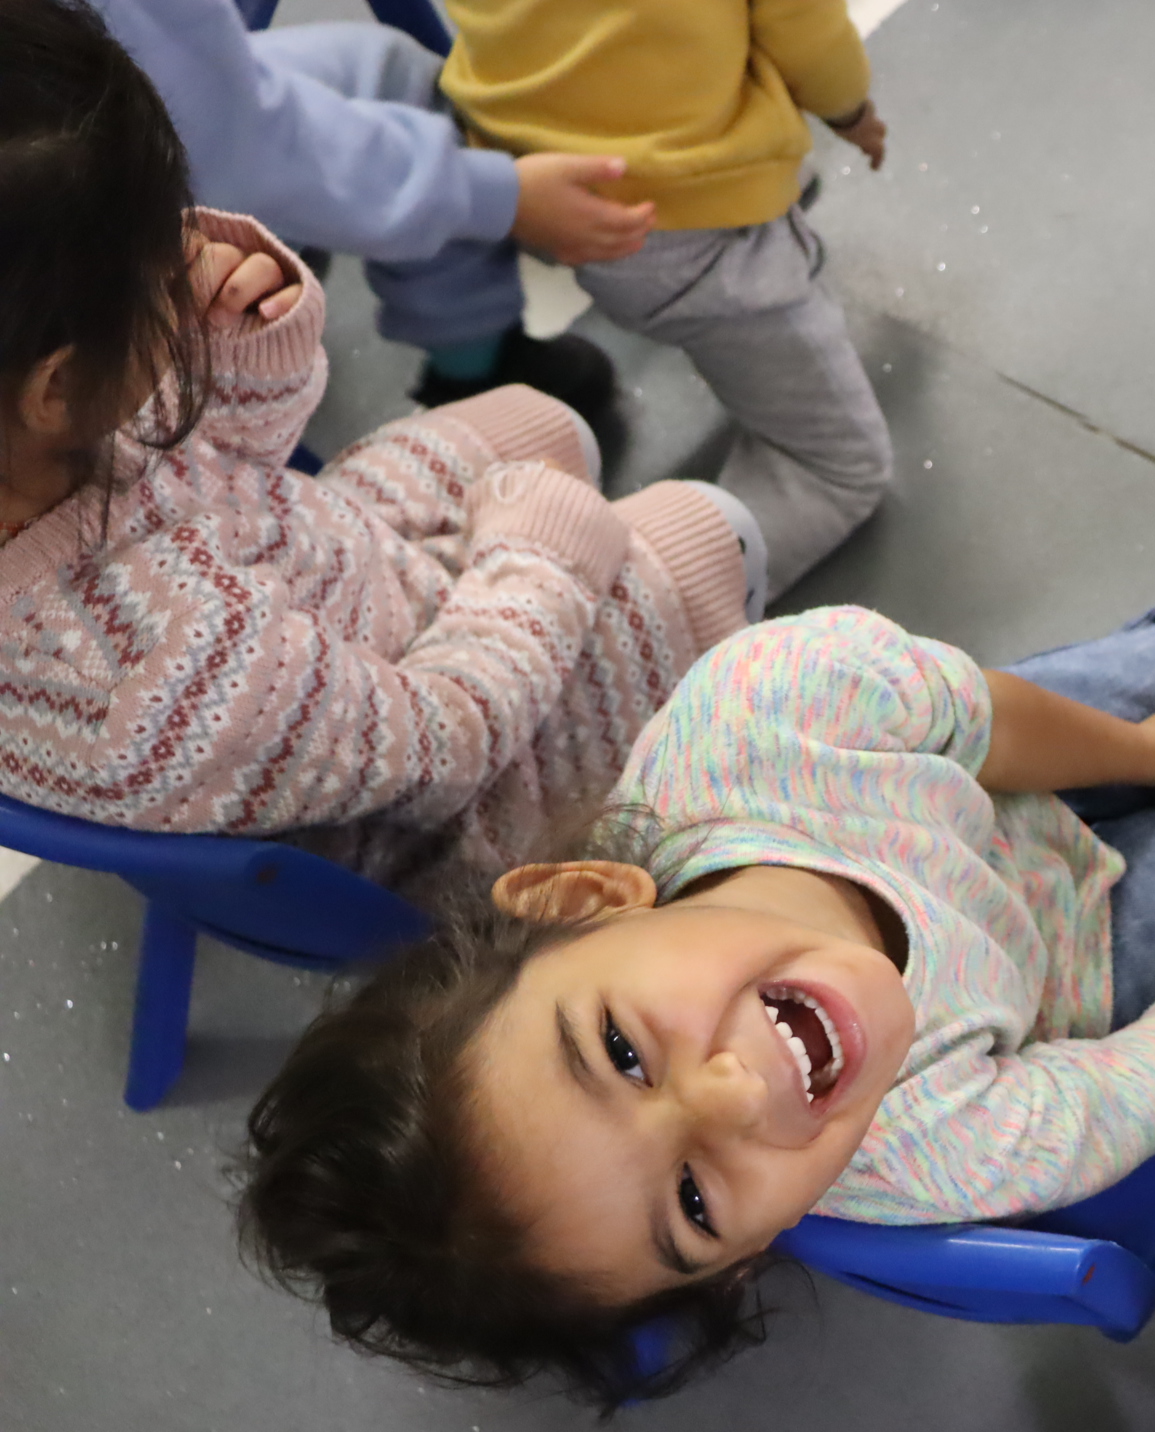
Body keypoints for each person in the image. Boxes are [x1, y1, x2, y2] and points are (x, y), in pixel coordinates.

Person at [238, 596, 1155, 1407]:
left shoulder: (768, 705)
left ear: (586, 897)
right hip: (1077, 959)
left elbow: (981, 719)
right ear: (741, 1260)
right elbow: (1117, 1096)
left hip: (973, 791)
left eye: (621, 1048)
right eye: (698, 1201)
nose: (737, 1091)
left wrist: (1153, 753)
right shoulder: (919, 1148)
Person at [0, 0, 763, 896]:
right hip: (433, 800)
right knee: (706, 526)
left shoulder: (38, 440)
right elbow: (447, 746)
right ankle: (715, 753)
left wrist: (240, 332)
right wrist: (538, 555)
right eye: (157, 274)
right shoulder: (166, 666)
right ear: (58, 386)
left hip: (311, 592)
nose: (187, 249)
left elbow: (221, 476)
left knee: (536, 422)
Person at [437, 0, 896, 599]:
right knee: (839, 472)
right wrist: (851, 111)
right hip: (687, 229)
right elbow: (809, 37)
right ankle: (628, 622)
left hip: (536, 173)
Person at [91, 0, 648, 424]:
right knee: (390, 84)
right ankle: (477, 376)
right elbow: (244, 149)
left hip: (88, 166)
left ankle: (290, 257)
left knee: (361, 68)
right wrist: (501, 196)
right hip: (109, 229)